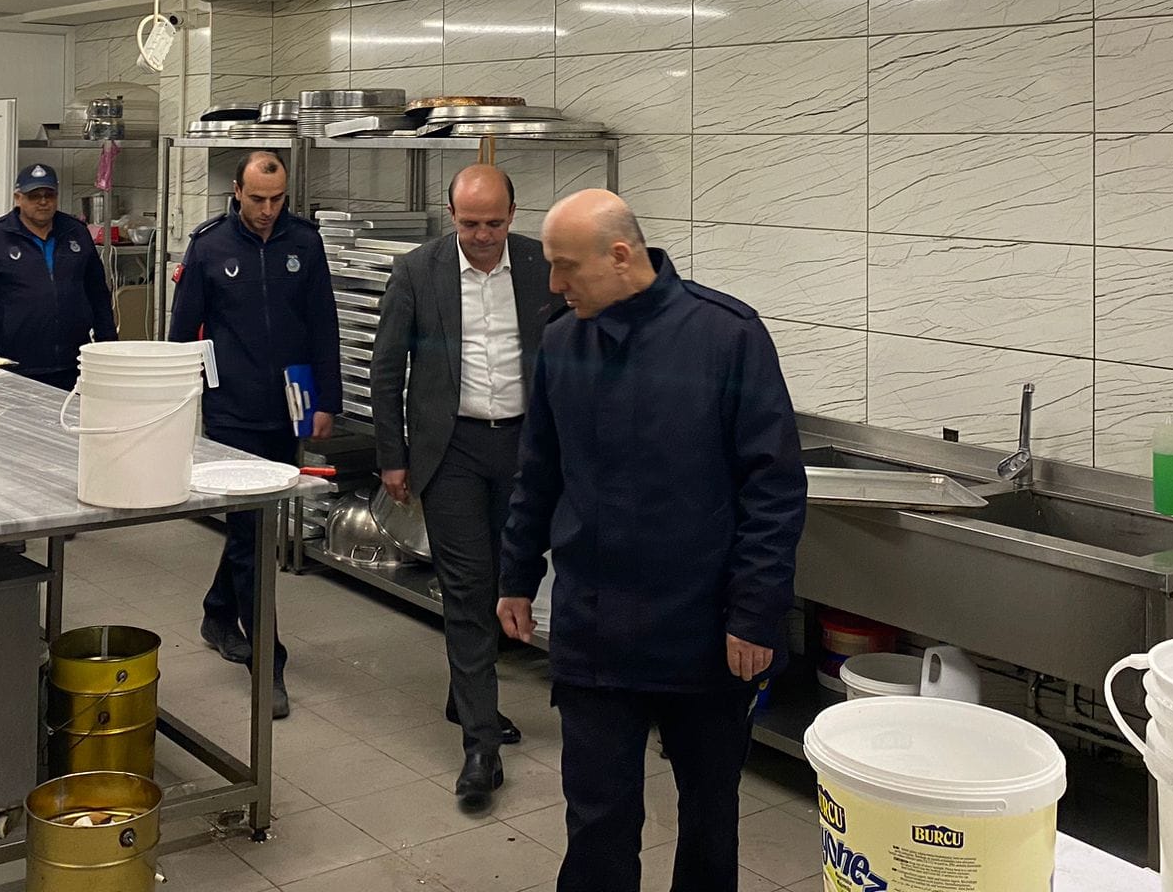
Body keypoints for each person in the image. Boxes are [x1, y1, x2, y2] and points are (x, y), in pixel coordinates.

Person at [498, 189, 807, 892]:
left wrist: (755, 612)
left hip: (705, 631)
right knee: (597, 822)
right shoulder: (561, 342)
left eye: (566, 266)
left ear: (619, 255)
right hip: (595, 627)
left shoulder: (726, 336)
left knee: (708, 816)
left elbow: (773, 488)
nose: (554, 283)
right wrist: (516, 574)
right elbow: (538, 472)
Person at [370, 164, 559, 813]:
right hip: (449, 448)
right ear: (451, 215)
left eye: (494, 223)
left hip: (523, 445)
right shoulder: (417, 271)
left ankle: (464, 692)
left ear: (514, 215)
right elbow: (387, 367)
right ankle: (481, 746)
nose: (482, 235)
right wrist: (392, 457)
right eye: (470, 223)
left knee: (511, 578)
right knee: (469, 586)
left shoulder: (539, 265)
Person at [168, 149, 339, 720]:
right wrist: (178, 407)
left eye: (277, 199)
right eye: (258, 198)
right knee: (252, 537)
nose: (268, 210)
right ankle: (269, 664)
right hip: (232, 411)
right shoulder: (209, 246)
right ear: (237, 192)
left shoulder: (304, 243)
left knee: (255, 528)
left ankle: (219, 611)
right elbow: (182, 333)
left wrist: (327, 401)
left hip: (289, 406)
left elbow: (323, 324)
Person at [0, 162, 116, 390]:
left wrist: (107, 349)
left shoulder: (76, 233)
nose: (43, 202)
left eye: (49, 195)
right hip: (14, 365)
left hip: (73, 364)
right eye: (34, 196)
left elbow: (98, 295)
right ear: (18, 198)